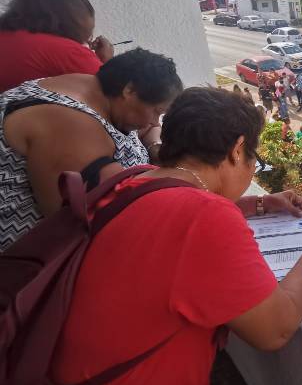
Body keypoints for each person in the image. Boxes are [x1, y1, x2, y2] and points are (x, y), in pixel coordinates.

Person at [23, 87, 302, 385]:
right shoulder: (204, 217)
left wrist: (261, 203)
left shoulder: (136, 179)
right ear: (237, 149)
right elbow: (274, 328)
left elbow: (177, 209)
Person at [0, 48, 182, 251]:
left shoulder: (90, 89)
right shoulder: (70, 127)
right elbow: (81, 223)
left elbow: (143, 129)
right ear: (129, 90)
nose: (154, 121)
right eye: (156, 111)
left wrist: (153, 145)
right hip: (30, 263)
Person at [0, 0, 114, 93]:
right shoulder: (67, 51)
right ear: (75, 23)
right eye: (88, 35)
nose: (88, 41)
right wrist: (107, 63)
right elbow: (112, 95)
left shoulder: (6, 36)